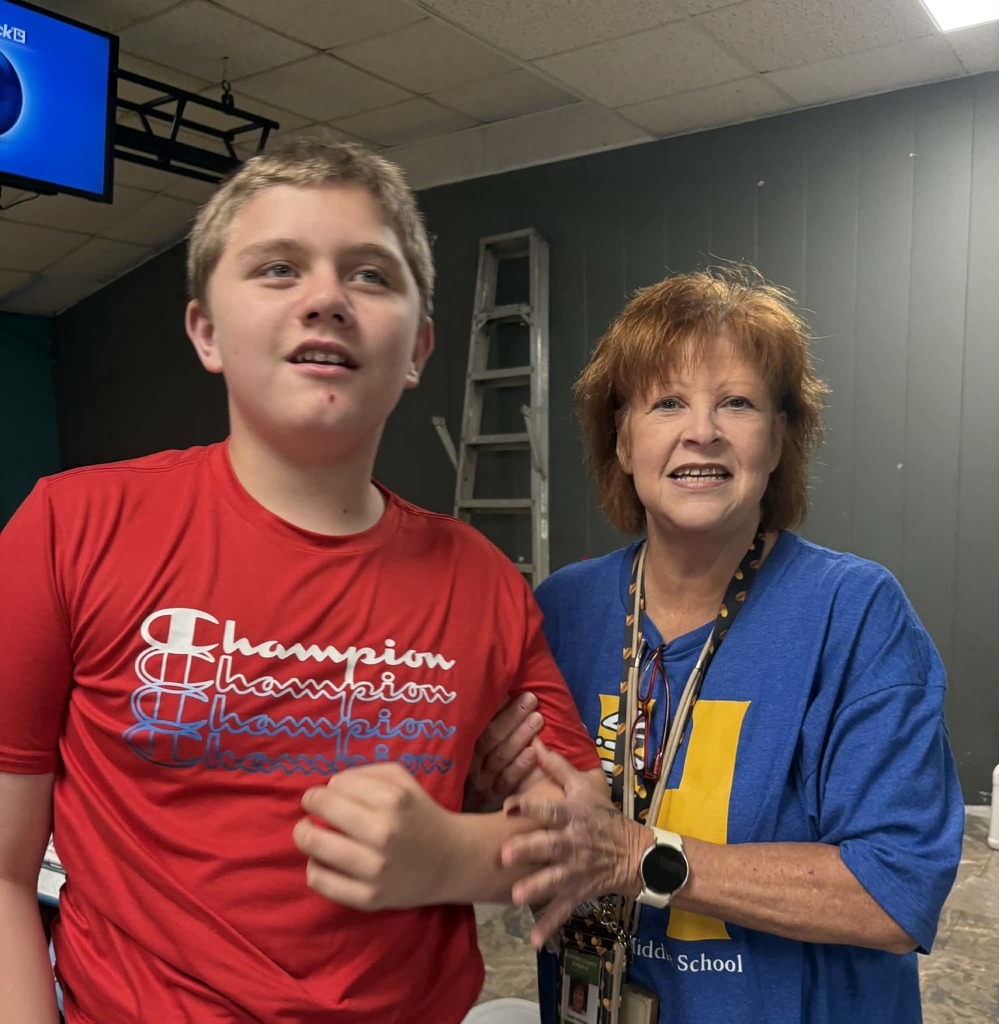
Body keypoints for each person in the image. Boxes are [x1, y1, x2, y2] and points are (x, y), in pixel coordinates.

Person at [0, 139, 604, 1024]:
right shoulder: (70, 528)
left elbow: (580, 838)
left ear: (417, 349)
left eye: (369, 275)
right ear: (206, 330)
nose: (325, 299)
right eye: (278, 269)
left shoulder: (478, 580)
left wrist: (449, 857)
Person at [475, 267, 964, 1023]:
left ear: (778, 440)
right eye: (666, 401)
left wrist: (638, 857)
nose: (699, 430)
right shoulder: (561, 610)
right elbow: (516, 822)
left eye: (735, 402)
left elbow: (893, 894)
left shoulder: (854, 612)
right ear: (622, 439)